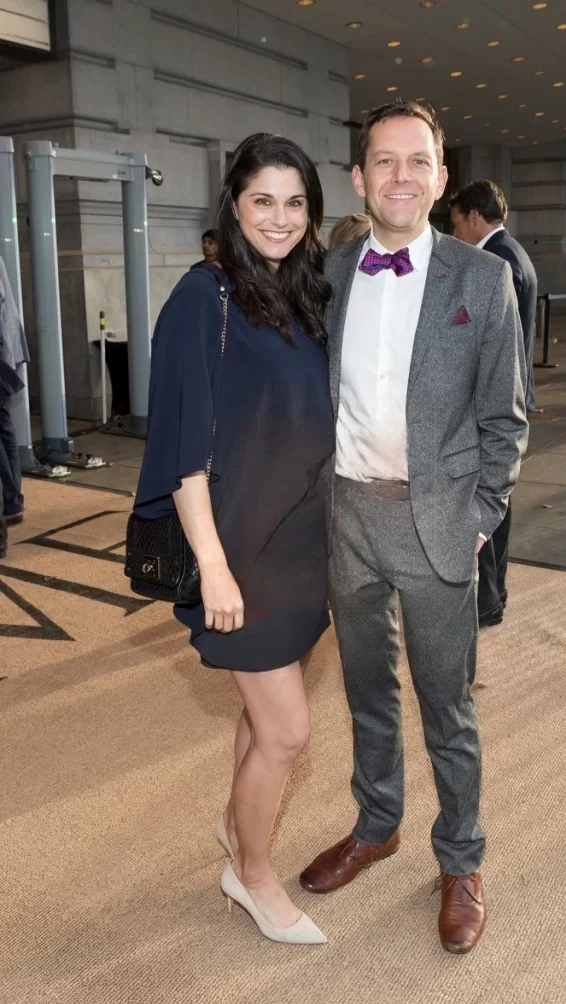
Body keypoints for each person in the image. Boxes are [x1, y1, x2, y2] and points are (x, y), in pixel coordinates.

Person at [300, 102, 528, 955]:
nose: (401, 176)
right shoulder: (324, 274)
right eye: (383, 162)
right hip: (347, 515)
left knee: (446, 701)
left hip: (439, 521)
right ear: (359, 178)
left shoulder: (481, 280)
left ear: (439, 177)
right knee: (366, 690)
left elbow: (505, 419)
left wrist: (478, 519)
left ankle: (461, 859)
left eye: (419, 161)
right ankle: (377, 823)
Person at [135, 134, 335, 946]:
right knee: (288, 731)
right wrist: (213, 569)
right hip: (236, 553)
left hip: (299, 547)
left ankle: (235, 829)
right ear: (234, 205)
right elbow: (183, 452)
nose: (280, 219)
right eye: (263, 201)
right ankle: (250, 874)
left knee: (262, 722)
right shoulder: (203, 296)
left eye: (295, 204)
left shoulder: (301, 297)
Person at [449, 180, 537, 627]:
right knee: (498, 500)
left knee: (487, 500)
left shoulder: (495, 258)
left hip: (494, 400)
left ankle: (487, 600)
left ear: (473, 215)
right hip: (507, 394)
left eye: (457, 221)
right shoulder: (514, 250)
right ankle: (493, 596)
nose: (456, 231)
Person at [0, 255, 29, 537]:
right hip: (5, 356)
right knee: (5, 429)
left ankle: (10, 501)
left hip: (1, 355)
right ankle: (12, 500)